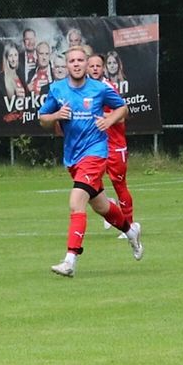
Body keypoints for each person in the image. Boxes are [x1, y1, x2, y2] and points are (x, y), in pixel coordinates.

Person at [38, 46, 142, 277]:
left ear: (86, 64)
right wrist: (56, 116)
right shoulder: (57, 89)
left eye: (80, 60)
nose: (76, 64)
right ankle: (130, 231)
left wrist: (109, 120)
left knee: (76, 202)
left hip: (95, 153)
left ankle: (70, 260)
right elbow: (43, 119)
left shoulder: (99, 88)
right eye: (72, 61)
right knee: (101, 206)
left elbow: (122, 108)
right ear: (66, 65)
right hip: (73, 157)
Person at [87, 53, 135, 232]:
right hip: (94, 145)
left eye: (98, 66)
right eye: (91, 66)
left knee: (119, 185)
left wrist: (102, 116)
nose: (95, 69)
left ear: (103, 68)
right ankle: (109, 205)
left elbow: (122, 116)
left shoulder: (108, 88)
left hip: (115, 145)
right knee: (90, 184)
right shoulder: (84, 89)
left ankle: (130, 225)